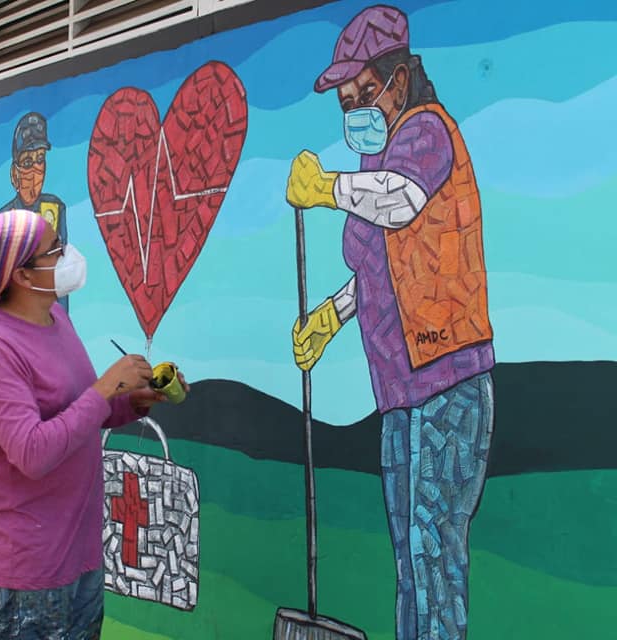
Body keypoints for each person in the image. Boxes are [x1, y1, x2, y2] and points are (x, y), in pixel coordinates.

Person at [285, 6, 495, 640]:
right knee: (411, 560)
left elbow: (400, 203)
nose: (353, 109)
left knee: (433, 557)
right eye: (345, 101)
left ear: (398, 80)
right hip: (401, 393)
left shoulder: (425, 132)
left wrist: (326, 189)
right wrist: (331, 316)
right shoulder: (380, 162)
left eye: (363, 93)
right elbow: (382, 269)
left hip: (445, 383)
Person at [0, 209, 188, 639]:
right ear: (20, 274)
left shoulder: (57, 319)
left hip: (80, 549)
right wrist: (106, 386)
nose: (67, 256)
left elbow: (78, 412)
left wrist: (133, 401)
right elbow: (33, 453)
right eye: (53, 250)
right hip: (32, 564)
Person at [0, 112, 69, 309]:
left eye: (40, 159)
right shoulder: (3, 219)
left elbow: (60, 272)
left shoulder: (54, 208)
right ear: (15, 174)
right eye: (28, 163)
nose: (36, 170)